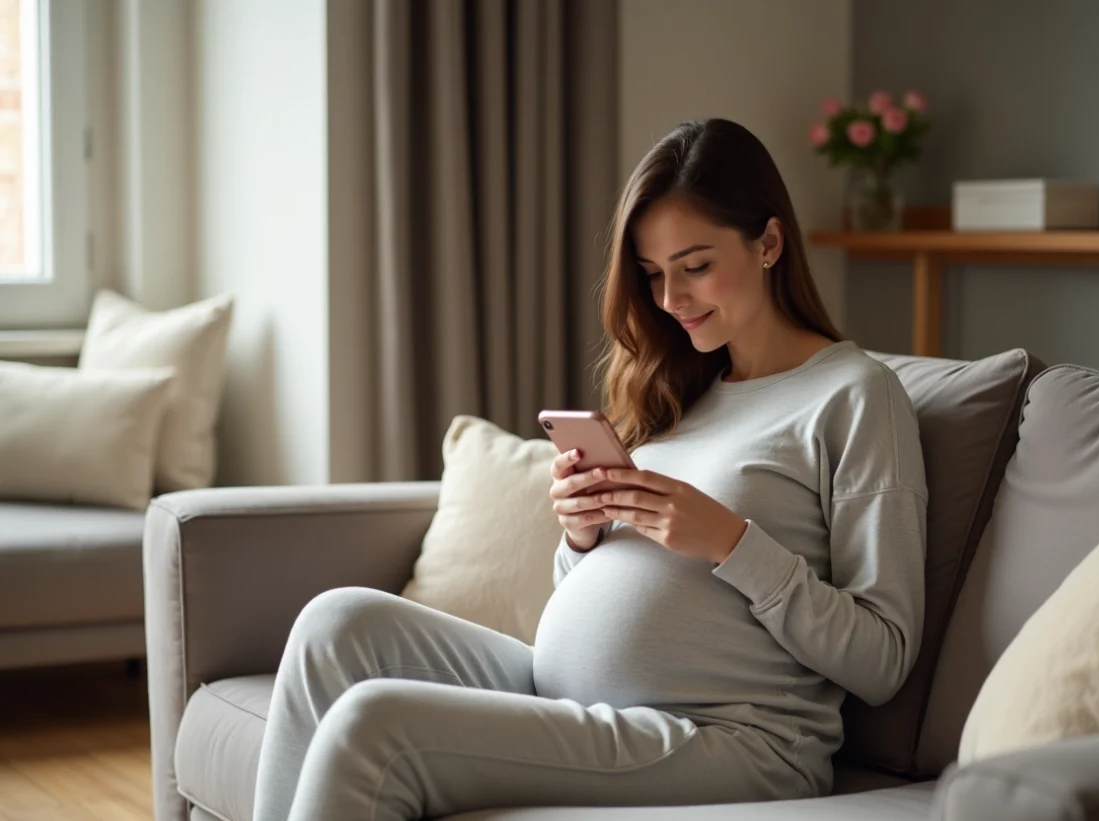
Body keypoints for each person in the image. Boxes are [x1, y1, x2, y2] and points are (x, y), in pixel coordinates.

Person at [252, 118, 928, 821]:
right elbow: (605, 592)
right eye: (653, 274)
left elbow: (883, 658)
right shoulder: (687, 388)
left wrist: (732, 542)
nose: (670, 300)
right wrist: (582, 537)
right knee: (335, 625)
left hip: (732, 739)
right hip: (580, 697)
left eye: (695, 266)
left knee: (376, 727)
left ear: (769, 242)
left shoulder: (856, 396)